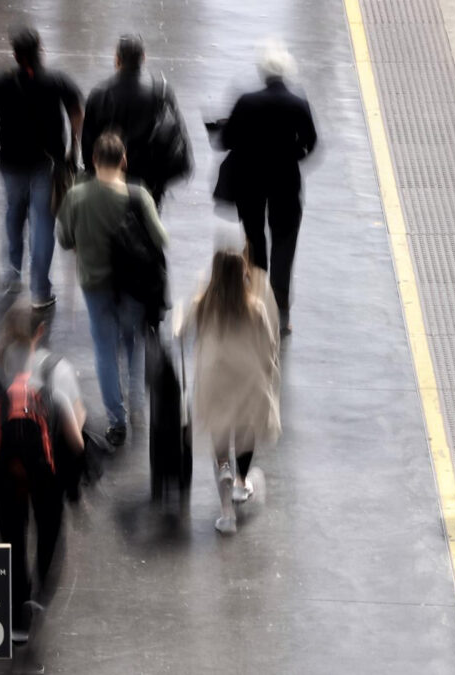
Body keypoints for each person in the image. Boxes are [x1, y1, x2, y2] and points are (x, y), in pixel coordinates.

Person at [0, 300, 86, 643]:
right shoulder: (56, 369)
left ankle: (18, 616)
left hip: (1, 471)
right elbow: (77, 428)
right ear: (40, 332)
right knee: (49, 533)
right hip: (47, 471)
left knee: (11, 539)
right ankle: (40, 596)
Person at [57, 133, 167, 445]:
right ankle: (136, 404)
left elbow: (64, 239)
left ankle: (116, 420)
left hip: (94, 284)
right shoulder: (138, 195)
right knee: (133, 341)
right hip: (133, 285)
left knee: (105, 349)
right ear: (124, 160)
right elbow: (161, 239)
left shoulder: (76, 196)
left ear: (93, 160)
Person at [0, 26, 83, 309]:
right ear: (40, 49)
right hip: (48, 164)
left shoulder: (1, 83)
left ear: (15, 54)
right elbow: (78, 113)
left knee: (14, 214)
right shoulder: (56, 81)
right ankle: (41, 290)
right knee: (43, 222)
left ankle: (13, 273)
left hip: (11, 162)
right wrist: (75, 148)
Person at [216, 41, 317, 337]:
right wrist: (292, 156)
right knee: (284, 245)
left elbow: (226, 140)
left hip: (250, 183)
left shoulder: (247, 101)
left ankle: (257, 302)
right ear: (286, 71)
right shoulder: (299, 103)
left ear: (262, 72)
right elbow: (311, 142)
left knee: (255, 240)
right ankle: (281, 312)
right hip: (286, 183)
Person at [185, 250, 280, 534]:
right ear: (242, 276)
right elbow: (269, 346)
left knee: (221, 439)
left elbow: (185, 329)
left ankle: (227, 513)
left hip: (215, 382)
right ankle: (241, 482)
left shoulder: (203, 304)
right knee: (245, 433)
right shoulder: (255, 308)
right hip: (247, 382)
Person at [81, 33, 191, 210]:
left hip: (110, 178)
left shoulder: (100, 94)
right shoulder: (161, 93)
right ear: (143, 58)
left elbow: (88, 142)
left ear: (117, 59)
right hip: (149, 181)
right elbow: (176, 135)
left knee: (111, 231)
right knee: (146, 229)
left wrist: (92, 174)